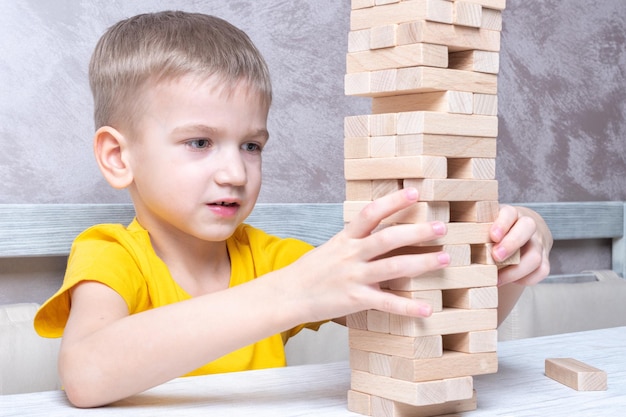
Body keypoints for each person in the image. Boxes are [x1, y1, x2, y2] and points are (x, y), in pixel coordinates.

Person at [34, 10, 552, 408]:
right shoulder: (111, 255)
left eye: (251, 145)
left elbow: (428, 323)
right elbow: (84, 375)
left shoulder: (273, 257)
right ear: (118, 156)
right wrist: (292, 294)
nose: (235, 172)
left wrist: (511, 254)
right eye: (199, 142)